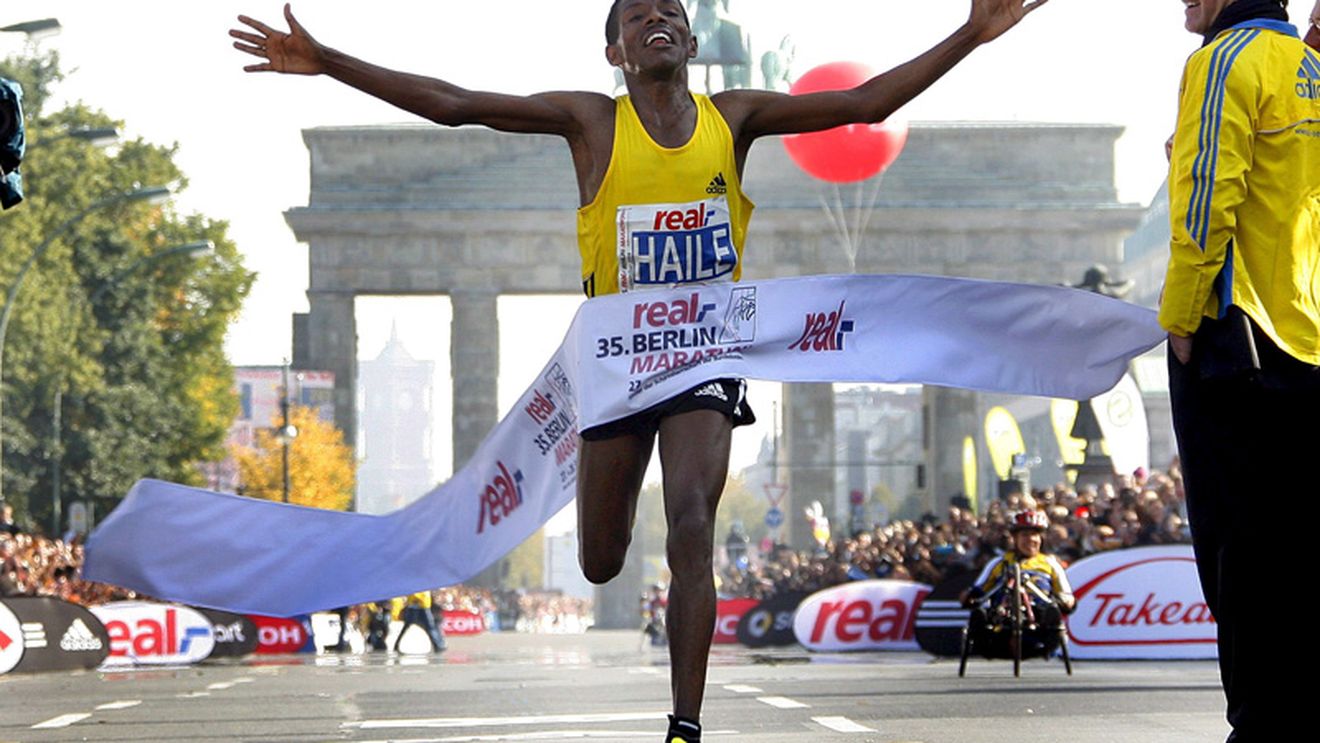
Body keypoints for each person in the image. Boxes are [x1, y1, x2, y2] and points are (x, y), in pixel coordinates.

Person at [230, 2, 1048, 739]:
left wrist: (971, 33)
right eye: (636, 16)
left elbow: (865, 107)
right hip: (616, 359)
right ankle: (620, 561)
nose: (656, 19)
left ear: (689, 42)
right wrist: (329, 59)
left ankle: (685, 723)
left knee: (691, 519)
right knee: (600, 557)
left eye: (670, 12)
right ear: (615, 52)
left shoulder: (737, 116)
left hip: (703, 352)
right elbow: (457, 105)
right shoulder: (590, 122)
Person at [1161, 1, 1319, 739]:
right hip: (1307, 337)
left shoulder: (1223, 59)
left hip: (1238, 341)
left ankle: (1258, 721)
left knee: (1236, 548)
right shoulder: (1311, 66)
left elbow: (1205, 200)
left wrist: (1182, 316)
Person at [959, 510, 1074, 658]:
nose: (1031, 539)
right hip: (1002, 615)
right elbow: (979, 589)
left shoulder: (1050, 564)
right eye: (1025, 535)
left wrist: (1067, 601)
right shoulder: (999, 562)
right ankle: (982, 634)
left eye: (1035, 535)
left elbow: (1066, 593)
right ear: (1015, 538)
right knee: (981, 613)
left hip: (1038, 618)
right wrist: (969, 596)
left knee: (1051, 610)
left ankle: (1049, 629)